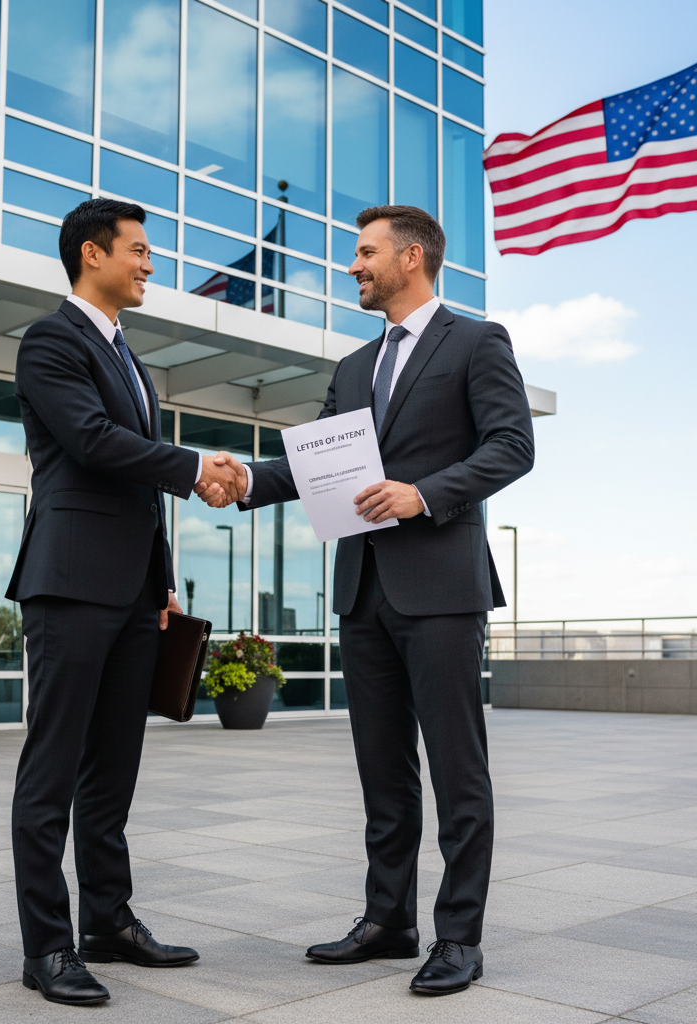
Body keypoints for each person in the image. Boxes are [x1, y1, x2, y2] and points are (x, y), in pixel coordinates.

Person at [199, 205, 534, 996]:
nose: (353, 266)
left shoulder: (477, 341)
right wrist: (243, 479)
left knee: (458, 772)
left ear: (410, 257)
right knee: (381, 772)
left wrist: (425, 494)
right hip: (363, 592)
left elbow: (513, 446)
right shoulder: (353, 367)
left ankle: (459, 936)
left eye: (364, 253)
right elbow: (315, 464)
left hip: (442, 590)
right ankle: (389, 920)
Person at [6, 198, 246, 1006]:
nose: (150, 264)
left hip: (134, 592)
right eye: (139, 251)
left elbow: (137, 493)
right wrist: (192, 466)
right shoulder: (51, 341)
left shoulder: (130, 357)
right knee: (53, 771)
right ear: (90, 253)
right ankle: (48, 947)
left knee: (112, 773)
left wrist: (164, 580)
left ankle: (108, 920)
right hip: (69, 584)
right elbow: (93, 443)